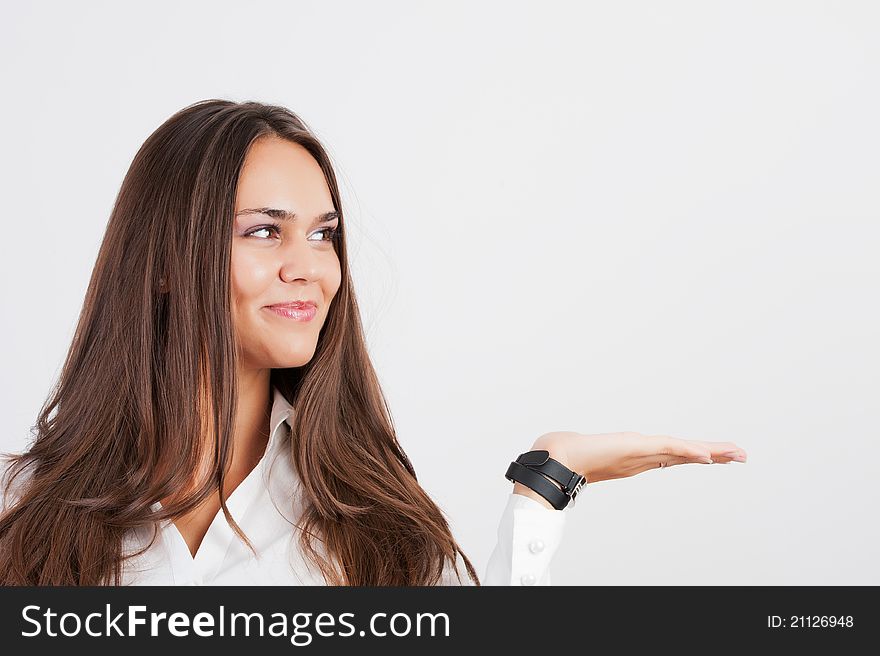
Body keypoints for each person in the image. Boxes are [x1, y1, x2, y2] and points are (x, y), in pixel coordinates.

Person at [0, 100, 747, 586]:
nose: (309, 268)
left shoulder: (368, 522)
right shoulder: (22, 512)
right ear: (163, 262)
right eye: (265, 231)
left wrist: (544, 487)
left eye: (323, 235)